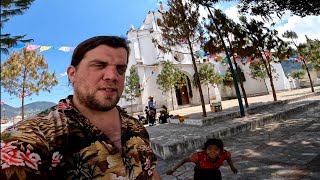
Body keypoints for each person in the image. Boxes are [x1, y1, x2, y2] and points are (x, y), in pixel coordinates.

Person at [1, 36, 161, 180]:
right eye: (99, 65)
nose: (113, 76)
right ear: (72, 74)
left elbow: (151, 173)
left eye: (121, 69)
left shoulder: (137, 127)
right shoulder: (35, 137)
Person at [166, 138, 238, 180]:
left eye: (216, 149)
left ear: (221, 150)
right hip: (200, 175)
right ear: (205, 150)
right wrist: (173, 169)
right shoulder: (198, 156)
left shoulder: (224, 154)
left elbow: (228, 158)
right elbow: (184, 160)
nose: (212, 152)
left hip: (215, 173)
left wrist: (232, 167)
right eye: (209, 149)